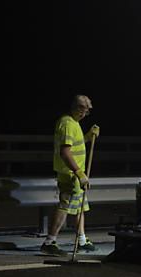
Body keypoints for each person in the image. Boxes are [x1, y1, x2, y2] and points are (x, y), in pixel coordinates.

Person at [41, 94, 101, 256]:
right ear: (77, 108)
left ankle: (81, 240)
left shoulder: (74, 123)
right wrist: (79, 173)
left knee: (80, 207)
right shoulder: (67, 124)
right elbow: (65, 152)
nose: (85, 114)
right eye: (84, 110)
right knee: (65, 205)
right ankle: (49, 241)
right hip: (70, 174)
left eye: (87, 111)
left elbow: (76, 144)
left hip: (77, 175)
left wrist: (89, 136)